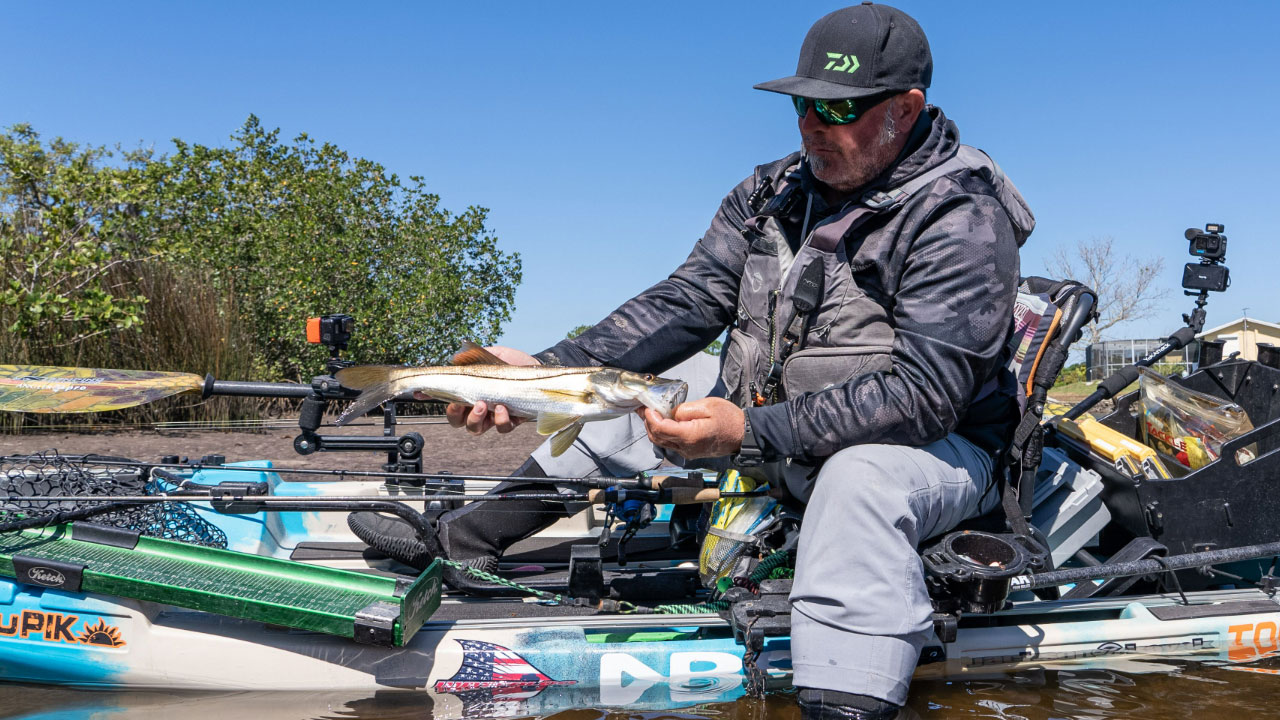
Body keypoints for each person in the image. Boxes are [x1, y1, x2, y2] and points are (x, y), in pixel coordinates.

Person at [349, 4, 1032, 717]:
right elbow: (685, 302)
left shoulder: (961, 216)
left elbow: (927, 394)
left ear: (906, 109)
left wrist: (750, 434)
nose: (810, 125)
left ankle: (846, 699)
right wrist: (544, 372)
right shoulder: (774, 192)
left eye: (836, 107)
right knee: (626, 398)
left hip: (934, 452)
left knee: (859, 480)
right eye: (802, 104)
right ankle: (465, 542)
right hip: (772, 417)